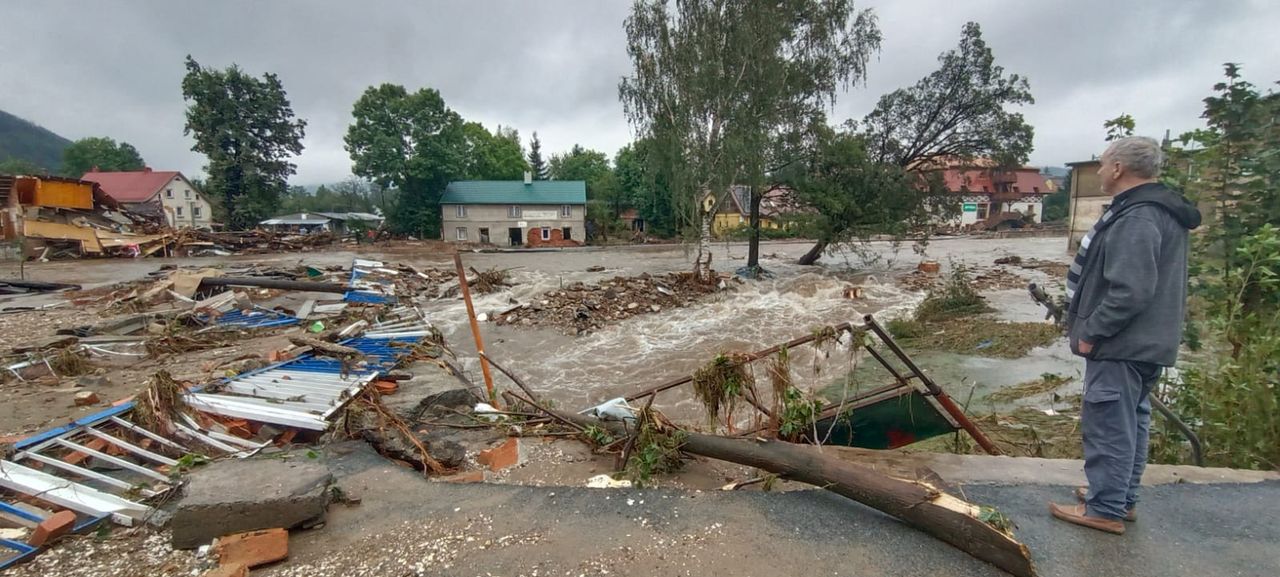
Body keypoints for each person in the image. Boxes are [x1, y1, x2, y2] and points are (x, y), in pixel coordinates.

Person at [1050, 136, 1202, 534]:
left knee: (1108, 424)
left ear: (1118, 168)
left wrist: (1092, 331)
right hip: (1147, 340)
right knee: (1131, 421)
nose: (1099, 171)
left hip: (1121, 342)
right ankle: (1118, 497)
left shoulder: (1136, 216)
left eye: (1102, 164)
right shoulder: (1160, 209)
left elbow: (1131, 289)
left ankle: (1104, 509)